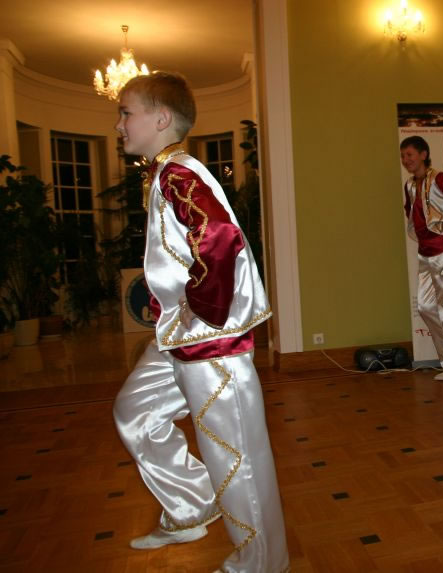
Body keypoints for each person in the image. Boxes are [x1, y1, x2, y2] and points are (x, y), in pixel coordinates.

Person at [112, 71, 289, 572]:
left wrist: (199, 307)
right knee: (135, 412)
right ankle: (191, 505)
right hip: (177, 336)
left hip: (209, 338)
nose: (119, 125)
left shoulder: (179, 174)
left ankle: (261, 564)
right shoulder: (166, 173)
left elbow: (220, 238)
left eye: (126, 113)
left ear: (160, 119)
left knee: (235, 455)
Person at [400, 136, 443, 381]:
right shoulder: (410, 185)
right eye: (403, 156)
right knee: (426, 307)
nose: (406, 160)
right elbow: (412, 214)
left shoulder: (440, 179)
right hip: (425, 254)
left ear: (424, 154)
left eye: (410, 154)